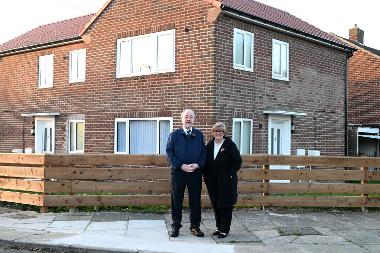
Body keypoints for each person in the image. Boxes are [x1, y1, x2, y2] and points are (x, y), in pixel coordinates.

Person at [166, 109, 207, 237]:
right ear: (182, 119)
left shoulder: (199, 134)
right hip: (178, 173)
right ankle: (176, 227)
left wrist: (198, 165)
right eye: (186, 117)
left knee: (195, 201)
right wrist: (181, 166)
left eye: (191, 117)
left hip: (195, 174)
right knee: (176, 200)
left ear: (194, 119)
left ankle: (195, 227)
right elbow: (169, 153)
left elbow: (204, 153)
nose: (188, 119)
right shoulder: (174, 134)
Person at [203, 122, 242, 238]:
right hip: (212, 180)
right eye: (216, 131)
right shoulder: (210, 145)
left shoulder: (230, 144)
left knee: (225, 204)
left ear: (224, 133)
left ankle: (225, 229)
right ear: (213, 132)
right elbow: (205, 162)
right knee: (216, 203)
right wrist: (206, 177)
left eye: (220, 131)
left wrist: (230, 174)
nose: (218, 133)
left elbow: (237, 161)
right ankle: (219, 227)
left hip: (226, 180)